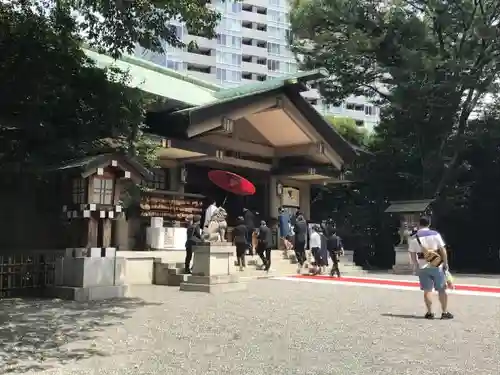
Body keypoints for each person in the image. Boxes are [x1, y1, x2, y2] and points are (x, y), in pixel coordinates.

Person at [408, 216, 453, 320]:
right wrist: (445, 263)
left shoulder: (414, 237)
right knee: (441, 289)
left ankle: (429, 312)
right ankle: (444, 312)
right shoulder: (435, 234)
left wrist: (416, 266)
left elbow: (412, 254)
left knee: (427, 290)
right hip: (437, 264)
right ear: (429, 224)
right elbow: (442, 250)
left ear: (419, 224)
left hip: (423, 266)